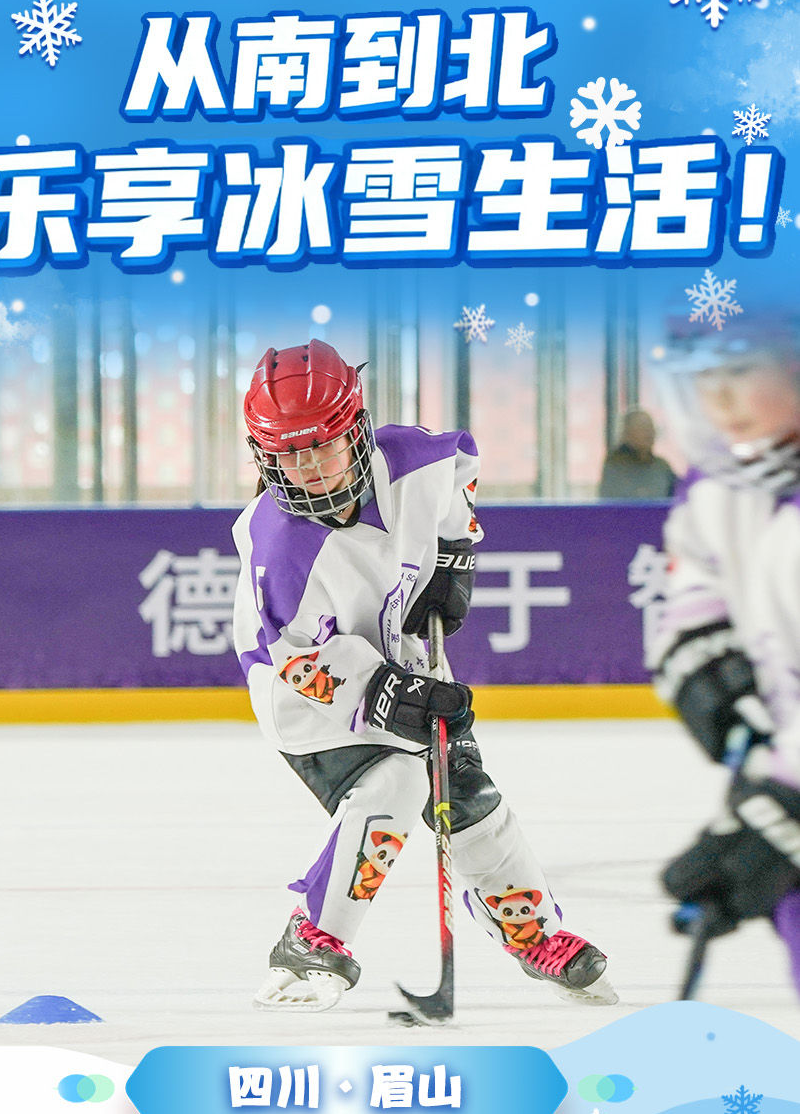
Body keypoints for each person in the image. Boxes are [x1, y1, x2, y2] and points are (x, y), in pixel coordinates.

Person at [231, 339, 614, 1011]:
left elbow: (461, 468)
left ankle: (532, 932)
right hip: (309, 698)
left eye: (321, 448)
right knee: (399, 781)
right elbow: (296, 660)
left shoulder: (412, 460)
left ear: (356, 429)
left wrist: (454, 555)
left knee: (466, 791)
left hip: (403, 648)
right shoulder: (281, 550)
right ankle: (312, 936)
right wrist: (388, 694)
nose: (308, 470)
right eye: (288, 455)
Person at [650, 316, 800, 990]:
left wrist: (783, 806)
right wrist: (710, 674)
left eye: (739, 371)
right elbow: (695, 583)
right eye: (702, 378)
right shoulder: (723, 487)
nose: (718, 398)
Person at [598, 407, 677, 500]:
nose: (650, 433)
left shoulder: (662, 467)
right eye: (643, 428)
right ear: (627, 433)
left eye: (651, 428)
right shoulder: (615, 465)